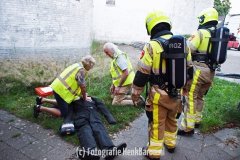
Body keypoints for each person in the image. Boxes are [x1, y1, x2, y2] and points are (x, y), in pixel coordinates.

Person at [131, 11, 192, 160]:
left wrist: (135, 92)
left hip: (158, 95)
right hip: (176, 93)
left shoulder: (152, 46)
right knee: (172, 120)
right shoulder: (184, 44)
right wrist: (186, 88)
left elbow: (142, 73)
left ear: (151, 27)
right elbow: (190, 70)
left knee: (157, 123)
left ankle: (154, 152)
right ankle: (170, 144)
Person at [178, 8, 219, 135]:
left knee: (191, 97)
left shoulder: (201, 32)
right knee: (200, 96)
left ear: (204, 18)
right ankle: (197, 120)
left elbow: (190, 47)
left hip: (199, 70)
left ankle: (187, 128)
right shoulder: (217, 33)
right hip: (210, 72)